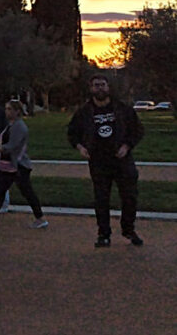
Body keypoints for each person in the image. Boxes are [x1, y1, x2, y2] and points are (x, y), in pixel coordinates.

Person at [66, 74, 144, 247]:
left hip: (122, 161)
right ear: (91, 88)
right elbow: (72, 133)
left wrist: (127, 146)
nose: (100, 88)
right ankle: (104, 234)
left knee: (130, 197)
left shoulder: (122, 109)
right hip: (98, 162)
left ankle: (128, 229)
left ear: (108, 87)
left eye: (102, 84)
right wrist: (80, 147)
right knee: (101, 199)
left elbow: (137, 130)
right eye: (96, 85)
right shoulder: (84, 112)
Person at [0, 100, 48, 230]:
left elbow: (12, 145)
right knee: (0, 191)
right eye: (6, 109)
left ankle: (40, 218)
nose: (6, 111)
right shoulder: (12, 125)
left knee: (27, 192)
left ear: (17, 111)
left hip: (18, 166)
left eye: (9, 109)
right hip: (7, 165)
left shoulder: (19, 126)